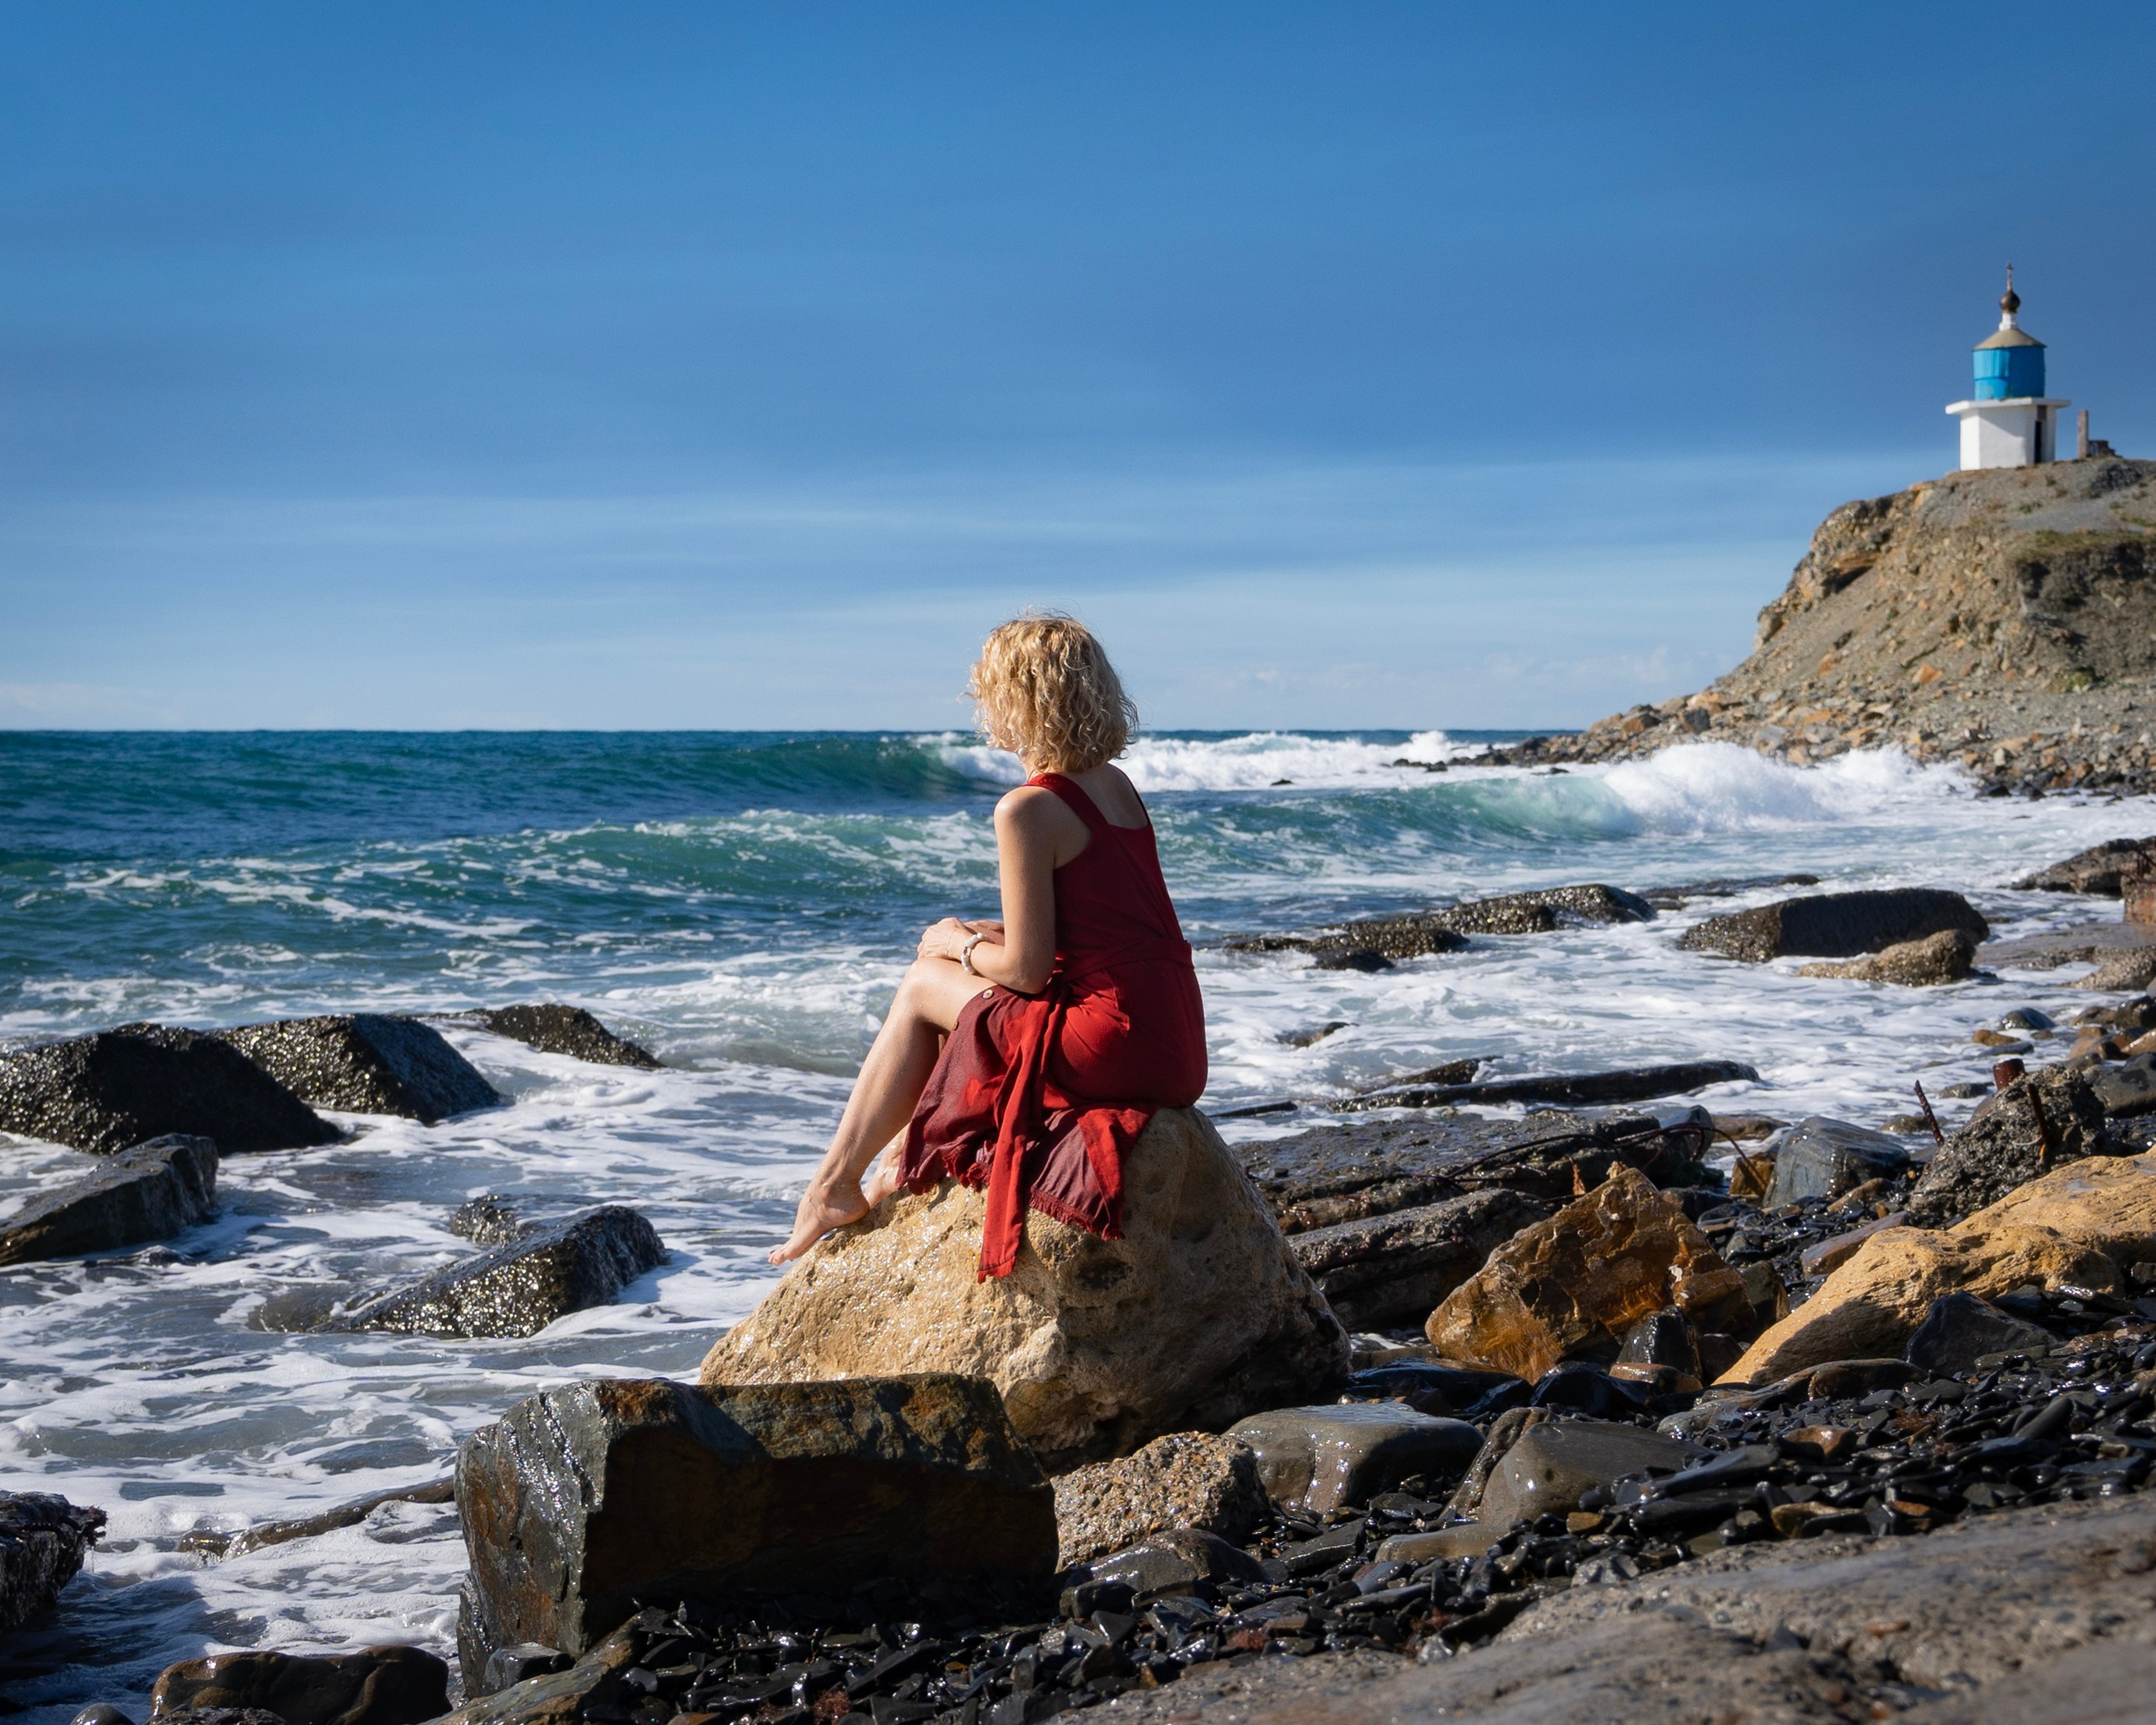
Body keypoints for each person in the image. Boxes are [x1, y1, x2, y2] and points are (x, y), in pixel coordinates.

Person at [768, 614, 1208, 1278]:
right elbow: (1102, 928)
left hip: (1113, 1045)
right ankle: (896, 1158)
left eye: (988, 693)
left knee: (924, 984)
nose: (982, 709)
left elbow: (1027, 972)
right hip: (1175, 1041)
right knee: (958, 966)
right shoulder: (1117, 787)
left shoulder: (1027, 808)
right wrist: (976, 938)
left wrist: (957, 944)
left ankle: (832, 1184)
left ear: (1017, 701)